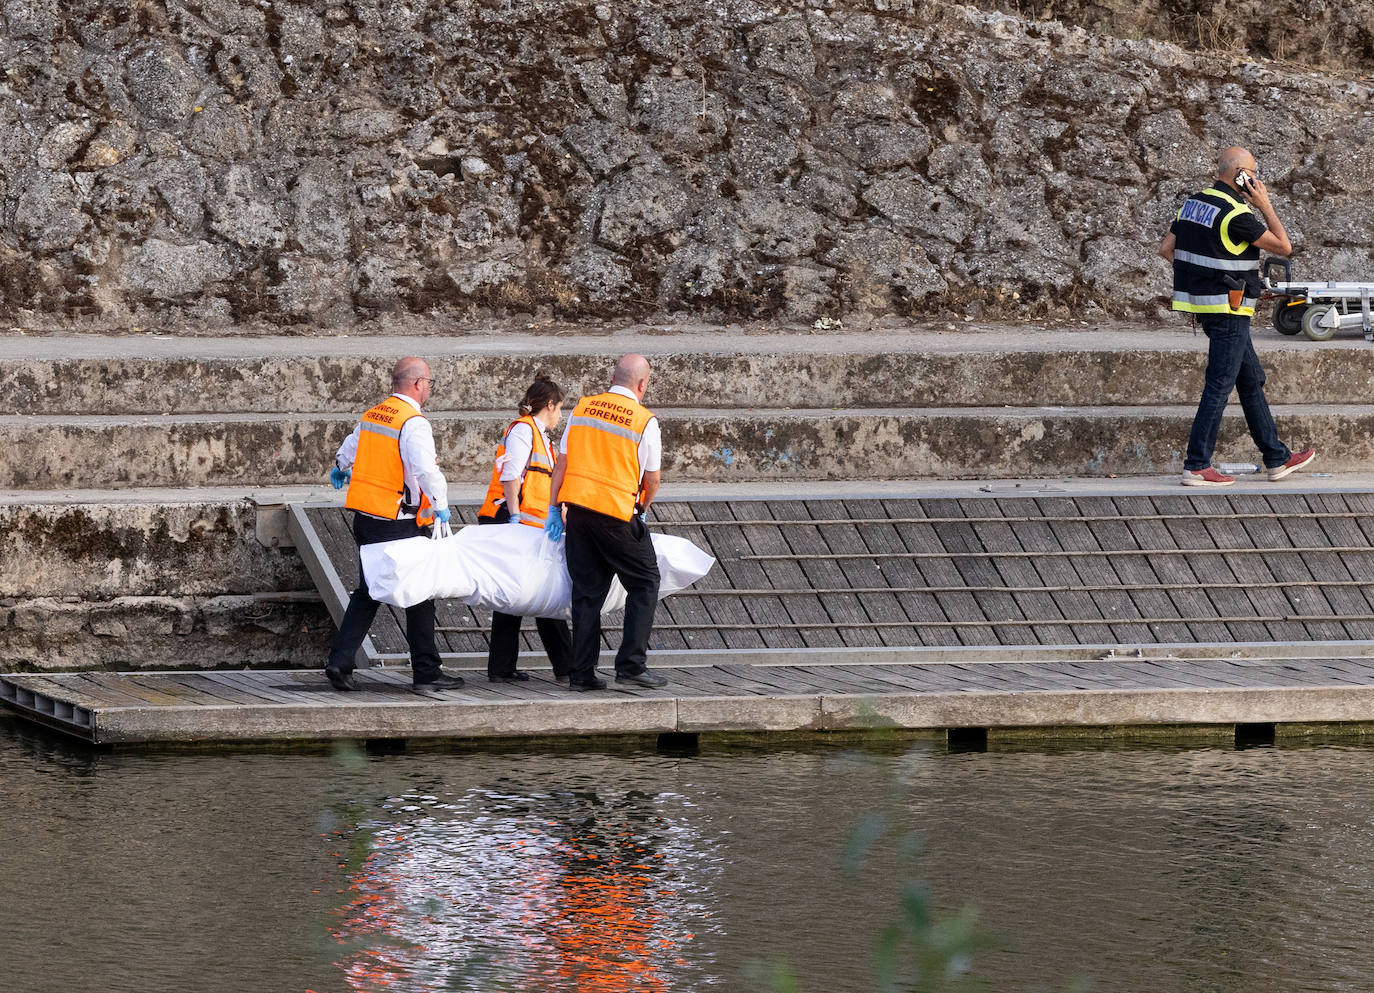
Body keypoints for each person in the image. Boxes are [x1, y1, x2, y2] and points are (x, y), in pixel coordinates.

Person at [1159, 145, 1315, 488]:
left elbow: (1167, 249)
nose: (1257, 179)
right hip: (1229, 310)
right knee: (1219, 385)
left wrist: (1208, 281)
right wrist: (1265, 205)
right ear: (1241, 176)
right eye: (1253, 173)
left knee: (1250, 378)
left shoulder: (1193, 204)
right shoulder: (1236, 213)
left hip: (1206, 307)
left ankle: (1276, 456)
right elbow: (1283, 246)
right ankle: (1197, 464)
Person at [324, 356, 464, 692]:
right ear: (418, 384)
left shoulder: (374, 414)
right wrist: (442, 506)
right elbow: (426, 470)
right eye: (429, 382)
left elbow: (348, 451)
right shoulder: (413, 422)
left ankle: (340, 662)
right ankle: (427, 672)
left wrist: (341, 467)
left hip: (366, 519)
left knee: (368, 591)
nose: (429, 389)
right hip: (398, 521)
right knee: (422, 593)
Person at [544, 354, 667, 692]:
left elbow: (562, 466)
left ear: (613, 377)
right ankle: (631, 666)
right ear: (642, 384)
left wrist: (554, 508)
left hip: (579, 515)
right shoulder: (644, 421)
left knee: (586, 595)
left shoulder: (582, 409)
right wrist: (641, 508)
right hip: (616, 516)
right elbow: (652, 479)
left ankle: (581, 674)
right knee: (645, 582)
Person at [477, 374, 574, 683]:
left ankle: (561, 664)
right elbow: (510, 475)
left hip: (531, 524)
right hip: (508, 518)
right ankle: (510, 667)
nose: (561, 415)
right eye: (560, 408)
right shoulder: (523, 431)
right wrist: (516, 517)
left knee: (536, 591)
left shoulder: (540, 436)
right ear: (550, 405)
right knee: (514, 594)